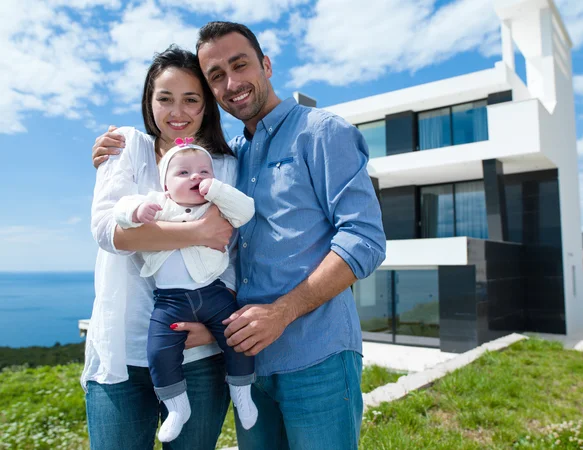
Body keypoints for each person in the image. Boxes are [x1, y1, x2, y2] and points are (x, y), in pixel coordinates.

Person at [93, 21, 386, 450]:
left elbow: (364, 239)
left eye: (240, 64)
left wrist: (283, 312)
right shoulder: (229, 158)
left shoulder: (322, 132)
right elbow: (233, 263)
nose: (231, 83)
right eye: (215, 76)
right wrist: (218, 331)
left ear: (265, 65)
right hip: (248, 364)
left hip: (315, 355)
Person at [85, 45, 238, 450]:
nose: (178, 112)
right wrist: (198, 231)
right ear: (148, 101)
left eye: (192, 99)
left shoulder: (223, 165)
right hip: (123, 352)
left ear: (207, 106)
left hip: (198, 355)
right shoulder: (126, 146)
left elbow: (233, 257)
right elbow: (107, 232)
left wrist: (211, 331)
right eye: (165, 98)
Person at [113, 141, 257, 442]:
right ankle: (177, 406)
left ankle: (243, 391)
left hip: (213, 293)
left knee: (236, 338)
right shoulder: (158, 205)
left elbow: (246, 211)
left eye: (204, 171)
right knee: (159, 351)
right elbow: (120, 211)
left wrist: (215, 189)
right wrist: (138, 211)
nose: (196, 177)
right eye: (184, 172)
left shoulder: (215, 207)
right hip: (170, 300)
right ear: (166, 184)